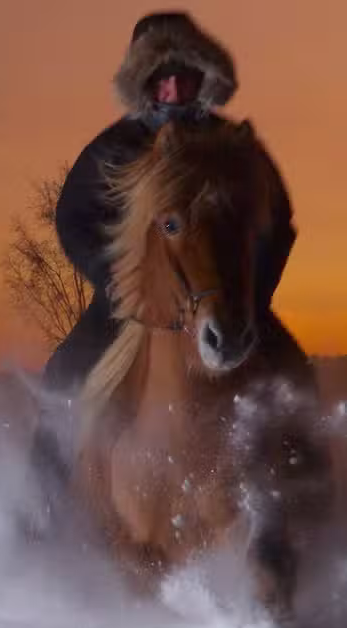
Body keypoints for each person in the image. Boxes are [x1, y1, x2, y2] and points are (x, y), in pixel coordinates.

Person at [31, 12, 313, 509]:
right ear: (144, 84)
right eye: (161, 76)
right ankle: (43, 508)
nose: (173, 85)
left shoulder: (233, 146)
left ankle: (311, 487)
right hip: (130, 297)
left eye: (184, 73)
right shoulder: (114, 148)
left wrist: (252, 291)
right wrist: (111, 277)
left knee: (293, 370)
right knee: (65, 374)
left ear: (204, 77)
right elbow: (73, 217)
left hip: (223, 296)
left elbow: (277, 220)